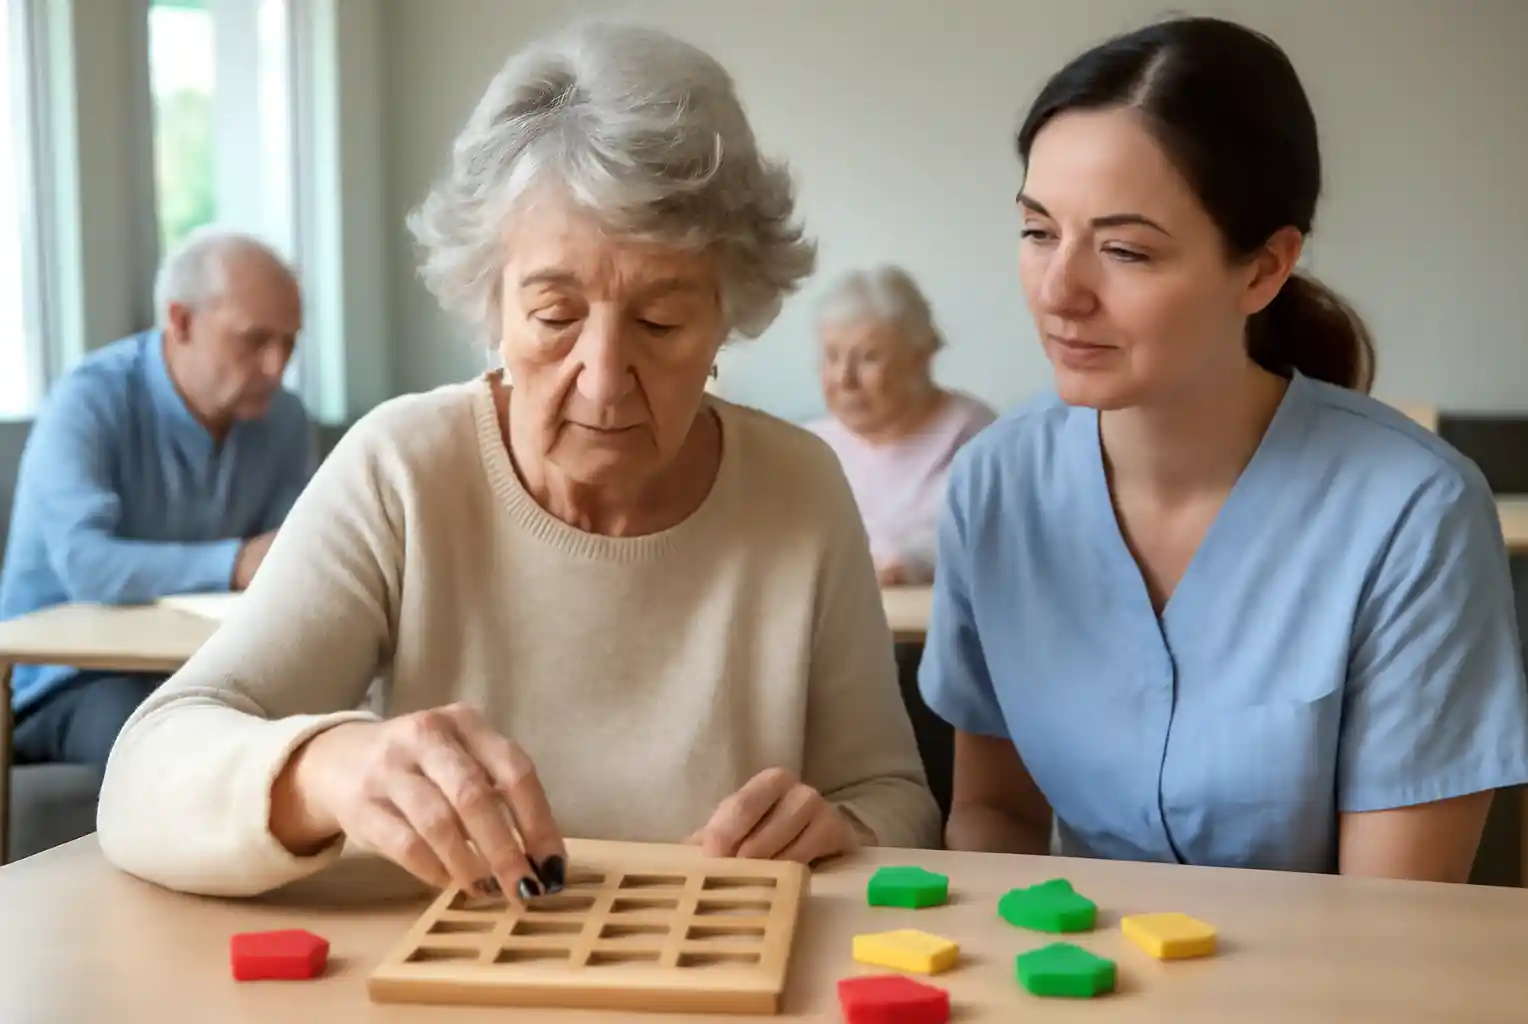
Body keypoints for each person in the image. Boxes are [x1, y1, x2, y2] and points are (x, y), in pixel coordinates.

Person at [96, 21, 939, 900]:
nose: (604, 381)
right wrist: (327, 767)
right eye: (555, 316)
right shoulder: (404, 471)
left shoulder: (800, 487)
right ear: (490, 303)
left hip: (724, 960)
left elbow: (896, 798)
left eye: (660, 322)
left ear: (727, 315)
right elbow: (143, 776)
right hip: (446, 964)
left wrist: (846, 829)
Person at [919, 16, 1528, 881]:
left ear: (1264, 268)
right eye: (1037, 231)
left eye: (1125, 250)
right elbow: (995, 812)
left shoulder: (1415, 513)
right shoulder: (995, 482)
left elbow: (1395, 915)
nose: (1060, 292)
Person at [0, 228, 314, 769]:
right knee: (175, 748)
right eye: (255, 339)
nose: (276, 366)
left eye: (289, 343)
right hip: (69, 681)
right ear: (181, 321)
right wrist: (237, 563)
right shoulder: (89, 399)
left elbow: (294, 567)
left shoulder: (284, 420)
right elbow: (87, 564)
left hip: (212, 668)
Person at [807, 267, 994, 586]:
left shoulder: (976, 437)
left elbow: (990, 544)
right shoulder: (808, 447)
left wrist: (909, 565)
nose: (844, 379)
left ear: (920, 358)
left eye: (868, 358)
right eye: (832, 357)